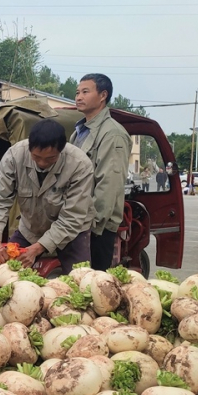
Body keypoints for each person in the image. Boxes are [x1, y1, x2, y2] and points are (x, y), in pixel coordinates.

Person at [0, 119, 95, 274]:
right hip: (31, 227)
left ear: (61, 150)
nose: (42, 163)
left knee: (81, 281)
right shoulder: (15, 156)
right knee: (2, 273)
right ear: (29, 147)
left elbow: (72, 217)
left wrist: (38, 248)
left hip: (71, 232)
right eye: (36, 157)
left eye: (50, 159)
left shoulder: (80, 164)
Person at [72, 73, 131, 270]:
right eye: (77, 92)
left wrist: (93, 226)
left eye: (85, 92)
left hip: (96, 228)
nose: (79, 97)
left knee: (94, 286)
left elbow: (109, 184)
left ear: (103, 95)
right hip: (76, 222)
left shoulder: (112, 133)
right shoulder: (79, 131)